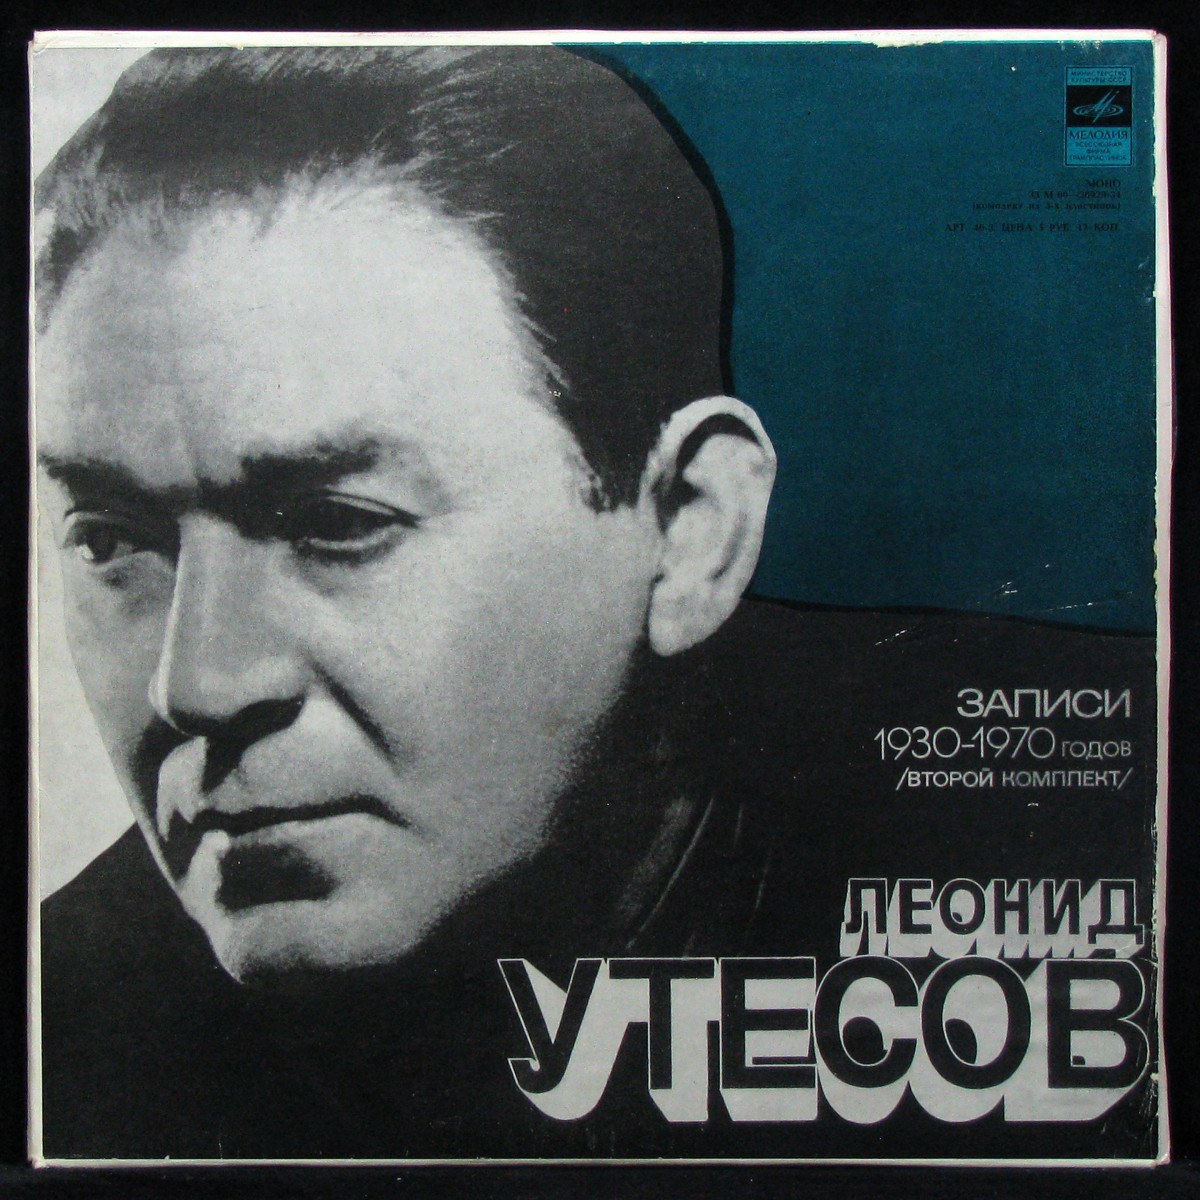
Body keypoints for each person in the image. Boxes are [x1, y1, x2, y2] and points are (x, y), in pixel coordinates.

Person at [35, 44, 1157, 1161]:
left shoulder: (1113, 827)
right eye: (111, 541)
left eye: (338, 523)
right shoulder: (65, 1037)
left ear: (690, 529)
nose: (197, 684)